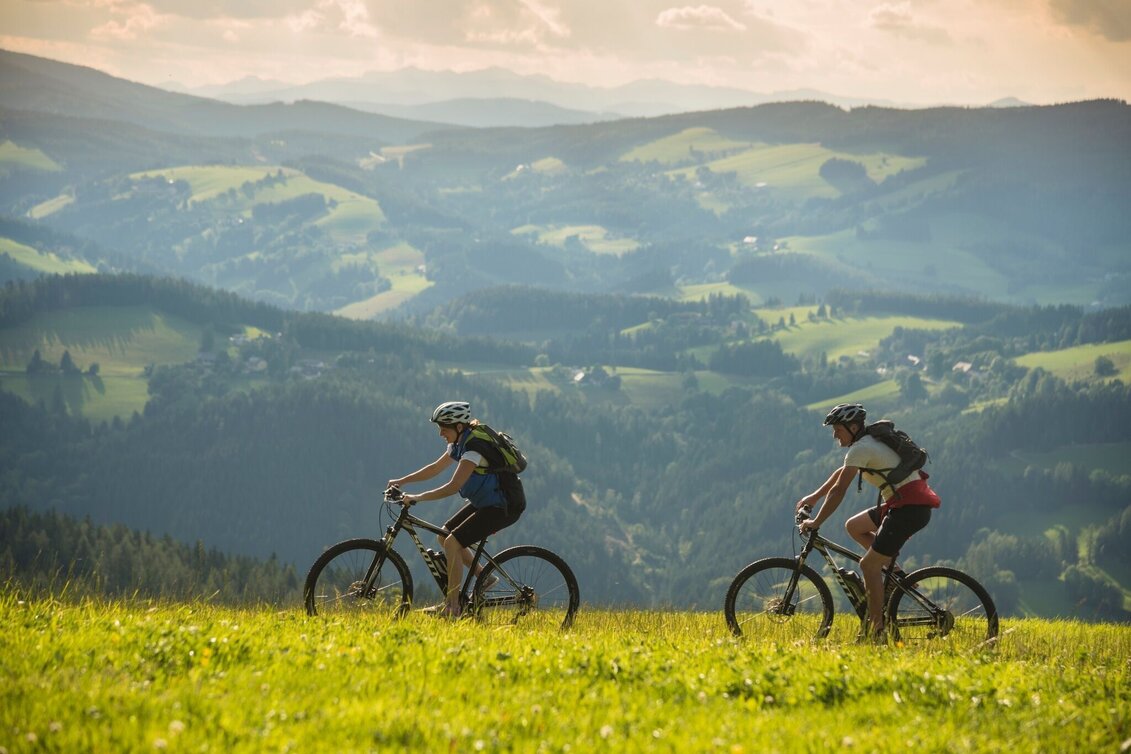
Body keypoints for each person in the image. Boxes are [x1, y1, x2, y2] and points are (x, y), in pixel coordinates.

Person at [795, 403, 940, 642]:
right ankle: (894, 576)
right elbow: (840, 475)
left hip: (908, 509)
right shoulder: (866, 444)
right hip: (906, 504)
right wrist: (812, 497)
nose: (834, 435)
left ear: (853, 427)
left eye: (837, 429)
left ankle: (876, 632)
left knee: (869, 566)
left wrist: (816, 521)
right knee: (854, 526)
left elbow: (839, 491)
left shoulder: (862, 448)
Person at [387, 401, 525, 618]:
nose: (441, 432)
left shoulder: (473, 450)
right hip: (486, 502)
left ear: (459, 427)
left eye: (444, 427)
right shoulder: (460, 443)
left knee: (452, 542)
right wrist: (401, 481)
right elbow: (434, 468)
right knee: (444, 536)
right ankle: (484, 578)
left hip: (503, 505)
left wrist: (417, 497)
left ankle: (452, 607)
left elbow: (453, 486)